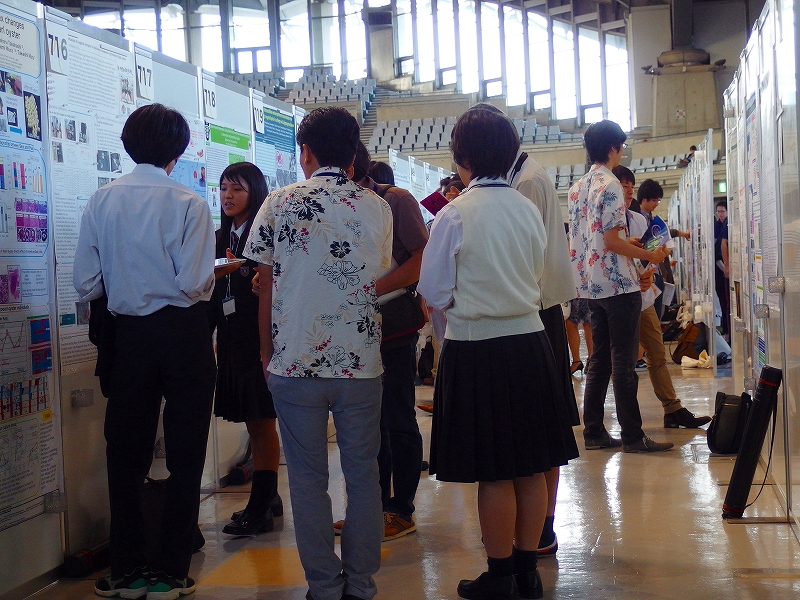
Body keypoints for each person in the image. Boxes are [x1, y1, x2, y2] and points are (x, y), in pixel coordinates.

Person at [419, 107, 579, 600]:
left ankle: (501, 573)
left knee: (493, 472)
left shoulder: (454, 213)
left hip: (477, 350)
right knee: (531, 465)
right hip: (530, 343)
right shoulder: (526, 207)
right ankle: (528, 570)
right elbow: (543, 273)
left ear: (461, 155)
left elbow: (434, 289)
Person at [244, 106, 393, 600]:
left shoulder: (280, 203)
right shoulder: (377, 207)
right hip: (360, 362)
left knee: (307, 481)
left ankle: (325, 589)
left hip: (294, 362)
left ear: (303, 152)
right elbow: (378, 272)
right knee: (362, 475)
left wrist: (267, 349)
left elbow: (263, 283)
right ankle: (362, 586)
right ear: (354, 153)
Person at [74, 103, 216, 599]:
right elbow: (194, 282)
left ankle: (126, 567)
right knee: (186, 450)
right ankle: (172, 571)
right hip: (182, 334)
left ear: (128, 143)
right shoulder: (189, 202)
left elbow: (85, 282)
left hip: (126, 335)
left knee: (125, 452)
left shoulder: (101, 200)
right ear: (178, 150)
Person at [567, 120, 674, 454]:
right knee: (624, 363)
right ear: (613, 147)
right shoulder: (610, 185)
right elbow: (613, 240)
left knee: (599, 359)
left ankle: (595, 432)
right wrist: (648, 254)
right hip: (618, 285)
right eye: (622, 146)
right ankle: (632, 435)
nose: (623, 151)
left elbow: (588, 239)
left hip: (590, 285)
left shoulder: (577, 187)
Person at [341, 141, 428, 541]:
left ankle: (401, 508)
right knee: (365, 423)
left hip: (392, 326)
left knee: (397, 417)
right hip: (351, 330)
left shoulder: (396, 200)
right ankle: (370, 507)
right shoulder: (334, 202)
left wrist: (371, 289)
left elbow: (421, 258)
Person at [209, 162, 284, 536]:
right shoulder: (222, 235)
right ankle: (269, 498)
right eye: (223, 188)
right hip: (233, 340)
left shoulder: (265, 235)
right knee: (253, 422)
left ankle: (260, 507)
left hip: (261, 342)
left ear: (254, 191)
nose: (228, 196)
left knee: (261, 422)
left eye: (237, 189)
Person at [613, 166, 712, 429]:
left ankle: (673, 409)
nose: (628, 190)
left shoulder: (639, 220)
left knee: (656, 353)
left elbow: (654, 253)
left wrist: (648, 271)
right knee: (616, 360)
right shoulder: (602, 219)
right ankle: (604, 425)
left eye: (630, 185)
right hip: (616, 296)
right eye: (623, 185)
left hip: (642, 294)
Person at [715, 199, 730, 338]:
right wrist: (726, 265)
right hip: (719, 267)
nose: (720, 214)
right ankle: (726, 331)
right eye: (718, 211)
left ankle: (727, 331)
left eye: (722, 211)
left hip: (724, 267)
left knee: (727, 301)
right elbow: (723, 243)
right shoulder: (716, 225)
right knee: (723, 299)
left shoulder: (728, 222)